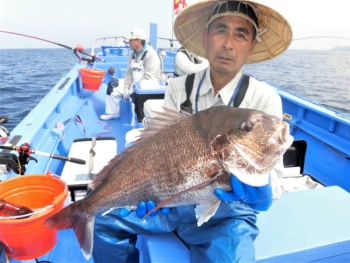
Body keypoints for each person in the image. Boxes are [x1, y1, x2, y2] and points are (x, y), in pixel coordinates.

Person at [93, 1, 292, 262]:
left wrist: (261, 195)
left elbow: (272, 185)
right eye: (221, 31)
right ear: (205, 37)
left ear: (252, 45)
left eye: (241, 34)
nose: (229, 43)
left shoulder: (264, 100)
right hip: (171, 204)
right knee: (103, 222)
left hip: (229, 215)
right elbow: (160, 147)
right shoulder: (178, 87)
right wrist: (148, 189)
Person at [100, 29, 161, 120]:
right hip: (135, 83)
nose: (128, 42)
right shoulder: (132, 55)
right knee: (112, 85)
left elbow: (148, 78)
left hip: (147, 87)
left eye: (131, 40)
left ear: (139, 41)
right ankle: (113, 112)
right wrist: (126, 87)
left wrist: (132, 89)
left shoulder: (151, 55)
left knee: (135, 95)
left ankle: (137, 122)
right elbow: (129, 73)